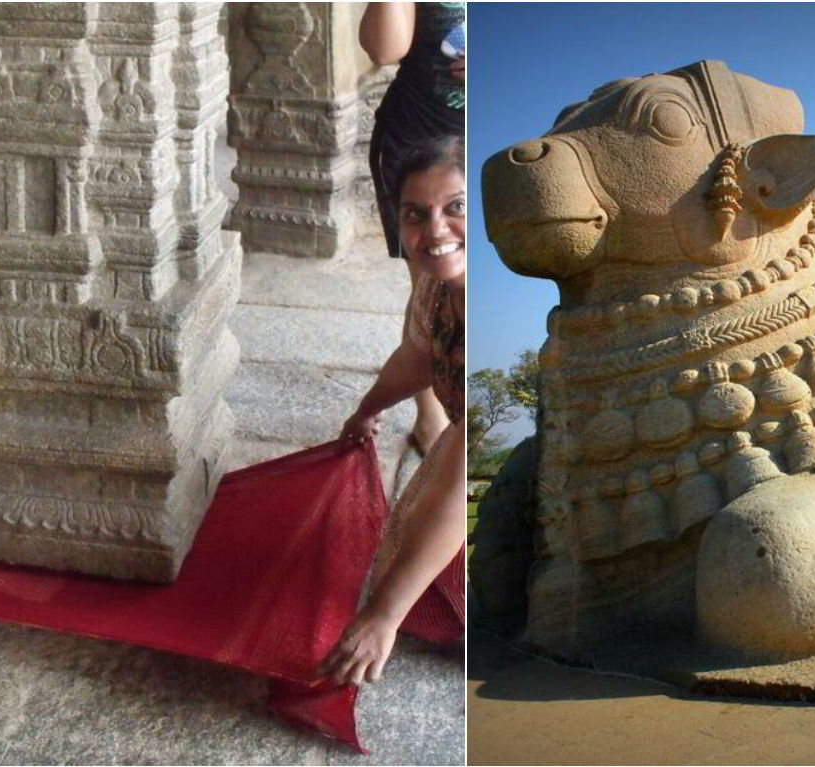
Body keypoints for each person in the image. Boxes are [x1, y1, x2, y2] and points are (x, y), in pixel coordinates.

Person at [320, 134, 466, 686]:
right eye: (416, 214)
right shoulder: (434, 284)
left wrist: (384, 615)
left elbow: (456, 486)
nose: (434, 231)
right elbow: (418, 356)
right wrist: (366, 411)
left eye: (455, 209)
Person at [359, 2, 465, 460]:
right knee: (431, 280)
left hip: (499, 119)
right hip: (420, 142)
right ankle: (431, 417)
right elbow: (385, 48)